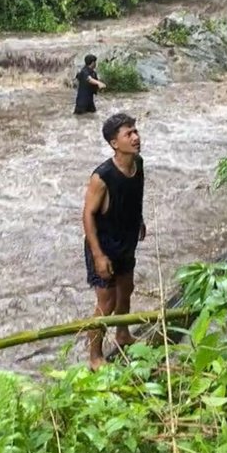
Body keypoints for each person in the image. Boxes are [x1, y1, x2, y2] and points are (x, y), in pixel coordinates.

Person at [82, 112, 146, 370]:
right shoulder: (102, 177)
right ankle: (95, 356)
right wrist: (98, 255)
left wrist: (139, 220)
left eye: (135, 131)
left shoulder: (138, 163)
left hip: (126, 240)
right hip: (104, 246)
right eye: (128, 134)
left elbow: (134, 195)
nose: (135, 137)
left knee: (127, 288)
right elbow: (87, 215)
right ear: (114, 143)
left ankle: (122, 334)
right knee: (106, 303)